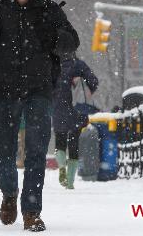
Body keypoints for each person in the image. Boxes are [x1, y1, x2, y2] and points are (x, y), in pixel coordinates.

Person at [0, 0, 79, 232]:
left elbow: (71, 41)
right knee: (5, 150)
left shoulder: (48, 9)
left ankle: (31, 211)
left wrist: (53, 37)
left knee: (36, 151)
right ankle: (9, 193)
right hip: (4, 89)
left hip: (38, 90)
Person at [52, 53, 98, 189]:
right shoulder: (78, 64)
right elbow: (93, 81)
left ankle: (61, 168)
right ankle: (70, 182)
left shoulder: (53, 65)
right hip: (77, 109)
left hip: (59, 109)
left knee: (59, 141)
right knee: (74, 145)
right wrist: (87, 88)